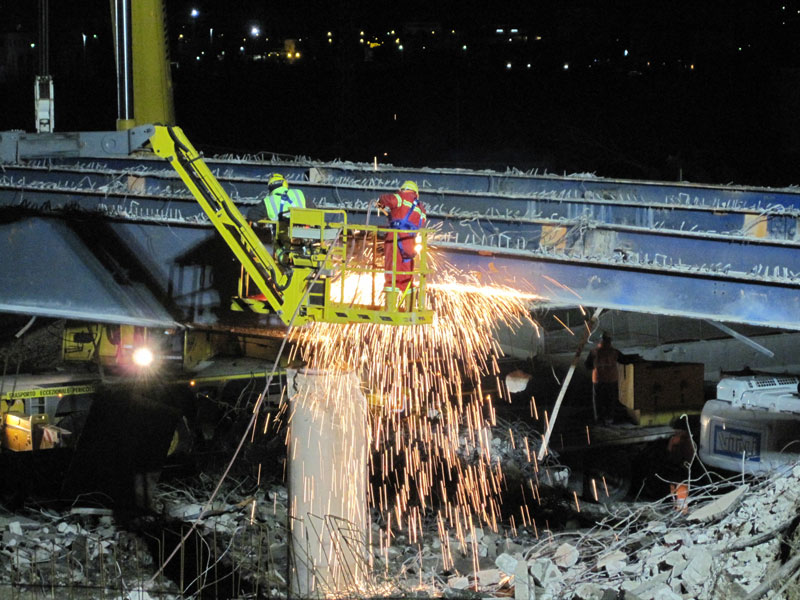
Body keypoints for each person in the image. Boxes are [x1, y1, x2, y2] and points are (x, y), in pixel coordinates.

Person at [377, 180, 427, 297]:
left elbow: (389, 199)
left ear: (403, 189)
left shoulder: (401, 197)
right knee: (406, 272)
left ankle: (390, 306)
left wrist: (381, 201)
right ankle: (410, 305)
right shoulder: (420, 207)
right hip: (410, 242)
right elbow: (422, 221)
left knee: (392, 271)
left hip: (395, 238)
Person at [584, 331, 636, 424]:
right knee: (610, 401)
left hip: (598, 380)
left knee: (598, 401)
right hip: (612, 380)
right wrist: (636, 358)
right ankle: (610, 418)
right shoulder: (614, 352)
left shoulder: (594, 352)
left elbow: (588, 366)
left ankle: (599, 419)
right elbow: (625, 360)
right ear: (610, 341)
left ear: (600, 341)